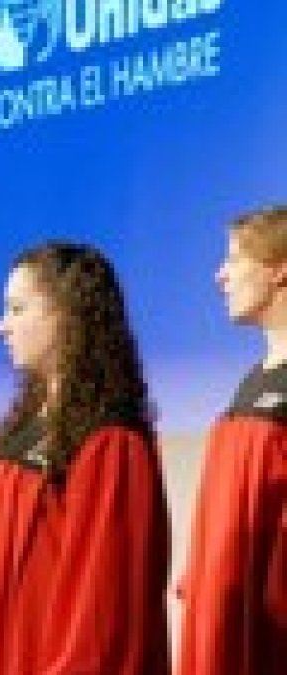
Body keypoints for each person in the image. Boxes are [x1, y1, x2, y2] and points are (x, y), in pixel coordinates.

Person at [0, 242, 171, 674]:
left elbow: (101, 613)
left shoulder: (109, 443)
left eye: (17, 309)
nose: (0, 326)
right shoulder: (17, 434)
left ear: (68, 315)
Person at [178, 206, 287, 674]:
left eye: (235, 259)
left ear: (280, 270)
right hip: (225, 623)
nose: (219, 275)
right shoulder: (250, 384)